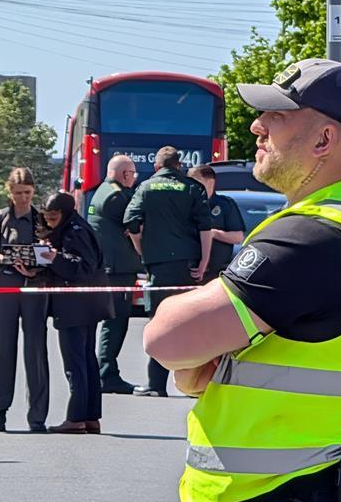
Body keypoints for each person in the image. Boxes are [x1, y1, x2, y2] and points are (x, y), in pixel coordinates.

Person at [144, 59, 341, 502]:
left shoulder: (315, 236)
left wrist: (205, 350)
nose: (256, 126)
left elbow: (167, 338)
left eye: (275, 114)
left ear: (323, 140)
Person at [123, 146, 212, 397]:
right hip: (187, 264)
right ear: (179, 165)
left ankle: (156, 383)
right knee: (188, 322)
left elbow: (131, 222)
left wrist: (142, 250)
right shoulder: (193, 188)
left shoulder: (145, 187)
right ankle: (192, 382)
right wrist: (203, 262)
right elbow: (206, 227)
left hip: (158, 266)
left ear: (156, 167)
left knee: (161, 322)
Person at [0, 167, 51, 432]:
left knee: (36, 350)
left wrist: (36, 266)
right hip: (5, 285)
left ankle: (37, 416)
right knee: (3, 347)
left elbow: (55, 254)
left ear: (34, 191)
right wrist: (5, 259)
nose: (23, 198)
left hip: (35, 286)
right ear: (9, 192)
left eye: (27, 193)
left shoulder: (43, 220)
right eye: (18, 193)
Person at [41, 192, 114, 434]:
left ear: (65, 213)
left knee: (76, 363)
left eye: (53, 217)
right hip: (86, 303)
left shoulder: (75, 231)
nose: (50, 222)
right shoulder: (75, 227)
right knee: (86, 360)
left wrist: (54, 258)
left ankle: (76, 417)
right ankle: (91, 416)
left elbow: (83, 266)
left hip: (75, 305)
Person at [86, 154, 143, 394]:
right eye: (133, 174)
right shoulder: (118, 197)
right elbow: (135, 225)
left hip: (109, 266)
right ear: (124, 175)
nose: (135, 178)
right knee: (116, 322)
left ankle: (104, 371)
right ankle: (107, 373)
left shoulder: (102, 190)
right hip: (118, 268)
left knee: (112, 321)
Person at [187, 164, 246, 283]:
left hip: (217, 273)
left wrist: (214, 234)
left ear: (210, 183)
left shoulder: (225, 205)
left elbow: (238, 237)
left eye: (195, 183)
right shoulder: (185, 205)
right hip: (189, 270)